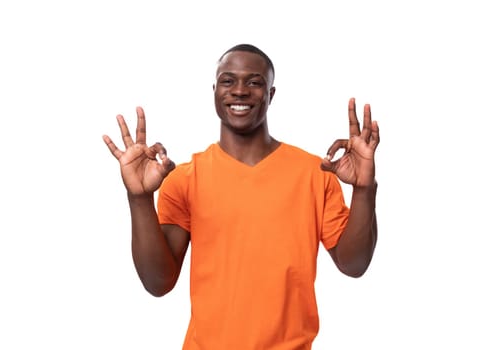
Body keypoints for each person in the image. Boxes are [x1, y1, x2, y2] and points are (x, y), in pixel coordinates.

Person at [102, 43, 379, 350]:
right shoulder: (184, 178)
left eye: (254, 82)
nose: (240, 91)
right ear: (215, 92)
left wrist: (364, 190)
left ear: (271, 94)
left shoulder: (315, 173)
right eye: (228, 80)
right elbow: (158, 283)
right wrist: (139, 199)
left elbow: (354, 264)